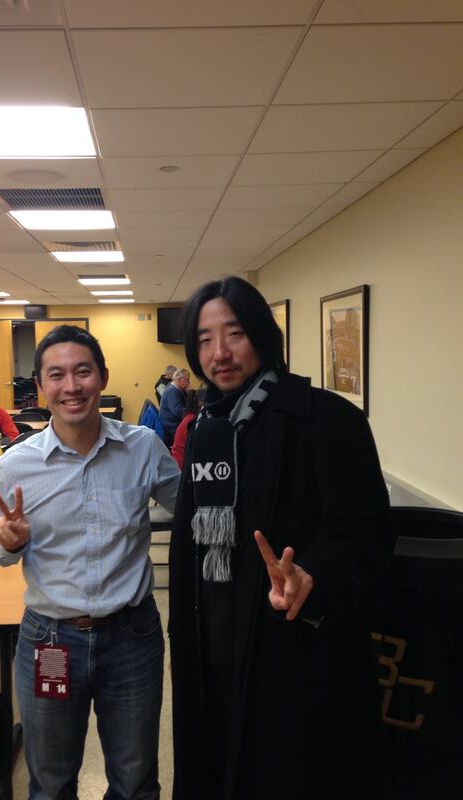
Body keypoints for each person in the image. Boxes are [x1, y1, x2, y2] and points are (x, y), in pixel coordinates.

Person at [168, 277, 392, 800]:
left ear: (265, 337)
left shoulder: (326, 418)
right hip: (211, 646)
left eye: (235, 333)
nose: (218, 353)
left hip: (289, 648)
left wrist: (312, 574)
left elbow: (366, 527)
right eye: (203, 340)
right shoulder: (206, 426)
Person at [0, 325, 180, 800]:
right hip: (49, 638)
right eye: (57, 375)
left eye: (83, 371)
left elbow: (193, 510)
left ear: (103, 377)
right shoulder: (17, 463)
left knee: (135, 783)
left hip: (132, 638)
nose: (71, 387)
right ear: (42, 385)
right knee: (49, 784)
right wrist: (7, 542)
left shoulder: (142, 448)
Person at [170, 387, 204, 470]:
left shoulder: (190, 417)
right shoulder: (193, 421)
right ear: (201, 404)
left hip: (179, 461)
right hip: (183, 465)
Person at [159, 368, 190, 446]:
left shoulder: (177, 388)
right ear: (180, 380)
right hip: (172, 425)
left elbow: (186, 403)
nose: (188, 382)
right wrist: (192, 413)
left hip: (172, 422)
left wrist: (188, 392)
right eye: (187, 380)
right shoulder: (172, 391)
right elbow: (177, 410)